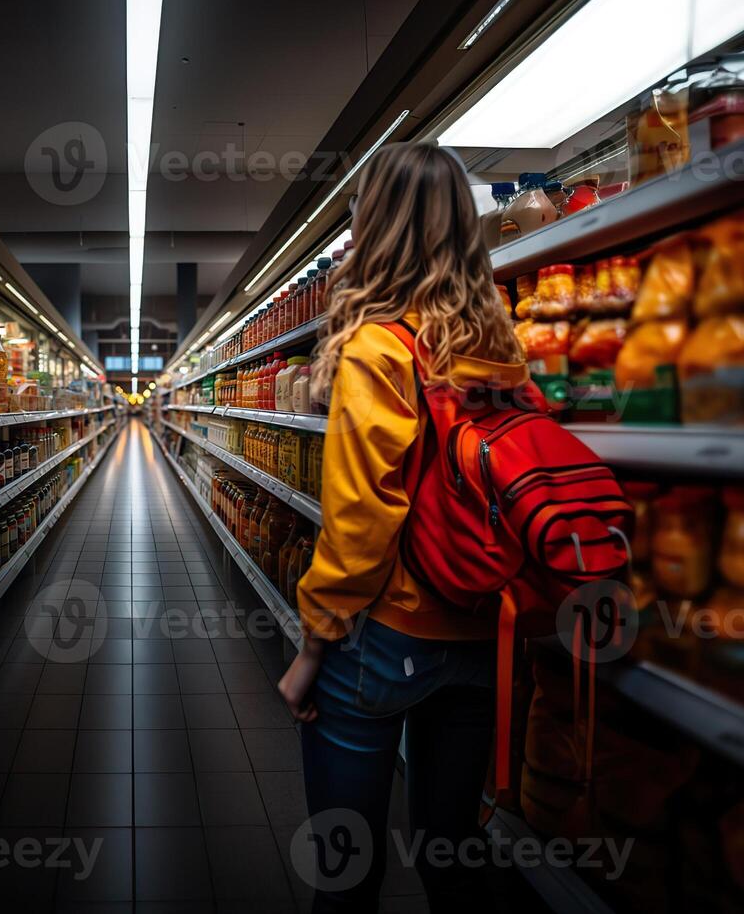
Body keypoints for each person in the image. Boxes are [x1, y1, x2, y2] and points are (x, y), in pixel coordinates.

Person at [278, 141, 526, 914]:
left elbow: (361, 521)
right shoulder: (502, 346)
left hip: (386, 635)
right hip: (485, 632)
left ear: (375, 229)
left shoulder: (377, 346)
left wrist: (312, 646)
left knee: (349, 867)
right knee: (451, 859)